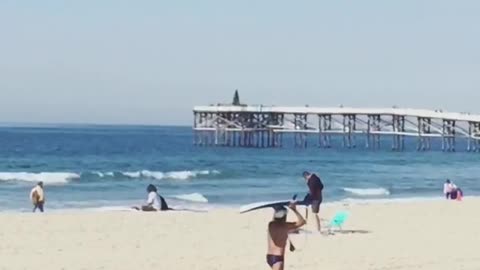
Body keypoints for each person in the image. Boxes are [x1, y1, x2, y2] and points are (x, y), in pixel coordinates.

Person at [266, 202, 306, 270]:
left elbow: (277, 221)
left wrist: (276, 208)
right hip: (278, 258)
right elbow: (302, 222)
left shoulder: (271, 225)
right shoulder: (285, 226)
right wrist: (294, 210)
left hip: (269, 256)